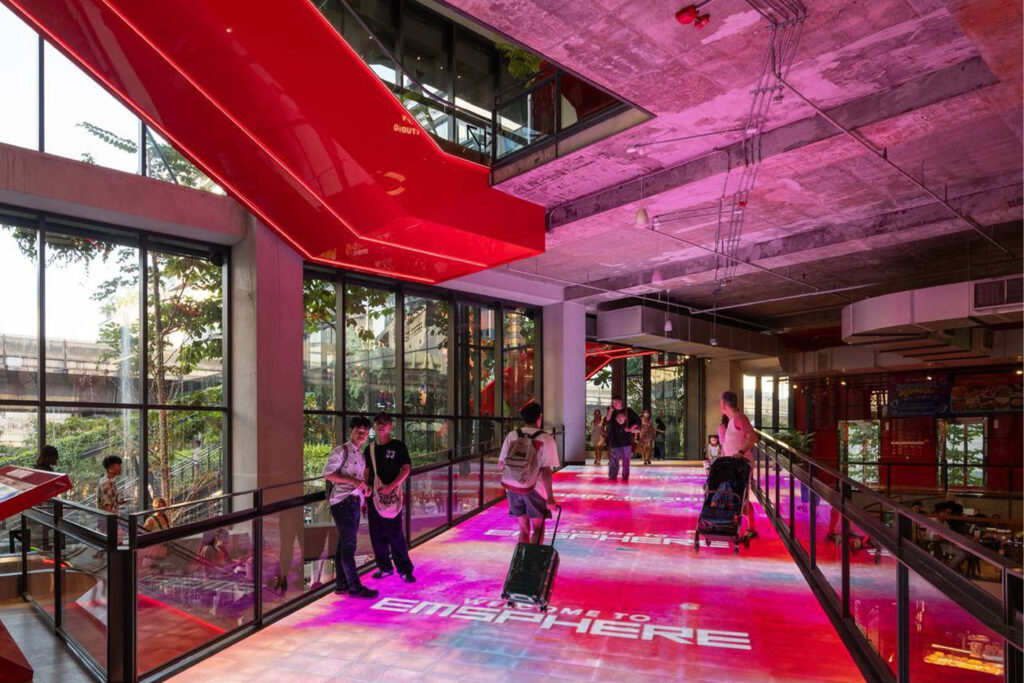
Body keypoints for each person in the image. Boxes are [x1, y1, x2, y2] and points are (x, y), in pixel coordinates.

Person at [323, 416, 378, 599]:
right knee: (349, 546)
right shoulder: (341, 451)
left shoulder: (361, 454)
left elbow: (359, 481)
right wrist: (352, 481)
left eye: (365, 431)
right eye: (358, 430)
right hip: (342, 502)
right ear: (351, 431)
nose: (361, 434)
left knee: (343, 545)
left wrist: (364, 490)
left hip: (354, 501)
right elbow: (328, 473)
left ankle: (341, 584)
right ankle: (355, 587)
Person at [498, 401, 560, 544]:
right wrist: (550, 497)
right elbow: (546, 470)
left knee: (523, 527)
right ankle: (532, 564)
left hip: (513, 487)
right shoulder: (546, 438)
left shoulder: (512, 435)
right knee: (538, 527)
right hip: (535, 489)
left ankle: (521, 563)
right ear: (539, 417)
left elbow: (501, 464)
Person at [364, 413, 415, 583]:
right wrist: (365, 496)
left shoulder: (398, 446)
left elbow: (406, 469)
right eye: (378, 422)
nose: (381, 425)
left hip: (392, 497)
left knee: (395, 534)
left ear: (390, 427)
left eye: (385, 423)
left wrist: (391, 486)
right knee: (376, 534)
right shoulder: (369, 449)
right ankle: (385, 567)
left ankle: (405, 569)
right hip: (374, 498)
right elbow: (367, 473)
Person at [720, 390, 758, 541]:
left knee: (740, 497)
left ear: (723, 404)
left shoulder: (739, 418)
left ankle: (748, 529)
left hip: (741, 465)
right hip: (732, 465)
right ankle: (747, 528)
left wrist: (741, 452)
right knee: (737, 497)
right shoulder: (731, 420)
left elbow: (753, 436)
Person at [604, 395, 640, 481]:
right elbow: (607, 421)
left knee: (626, 460)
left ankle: (625, 476)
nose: (615, 404)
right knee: (613, 460)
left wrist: (631, 428)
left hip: (626, 440)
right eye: (613, 403)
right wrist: (610, 411)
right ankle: (612, 476)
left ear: (621, 402)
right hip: (614, 440)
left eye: (616, 402)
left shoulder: (628, 411)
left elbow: (638, 421)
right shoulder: (611, 411)